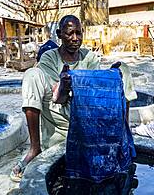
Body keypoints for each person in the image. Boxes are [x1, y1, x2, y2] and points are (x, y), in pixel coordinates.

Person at [10, 15, 137, 182]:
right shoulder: (49, 57)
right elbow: (59, 99)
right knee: (32, 75)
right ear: (59, 34)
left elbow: (94, 95)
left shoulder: (89, 57)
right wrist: (63, 85)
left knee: (123, 70)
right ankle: (35, 149)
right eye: (69, 33)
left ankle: (123, 137)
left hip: (86, 114)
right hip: (59, 115)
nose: (75, 38)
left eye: (78, 33)